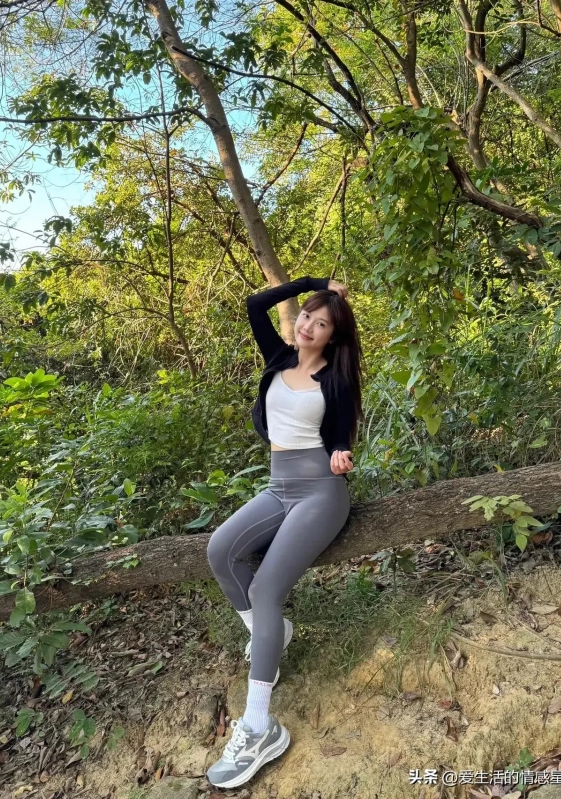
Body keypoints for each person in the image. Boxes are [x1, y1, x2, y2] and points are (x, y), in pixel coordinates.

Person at [205, 275, 365, 789]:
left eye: (322, 324)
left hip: (320, 492)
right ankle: (270, 634)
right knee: (221, 550)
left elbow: (339, 438)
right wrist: (317, 285)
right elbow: (256, 304)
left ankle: (259, 727)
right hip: (278, 486)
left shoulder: (335, 379)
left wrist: (341, 456)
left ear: (334, 336)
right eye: (307, 317)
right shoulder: (278, 358)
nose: (309, 327)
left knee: (266, 590)